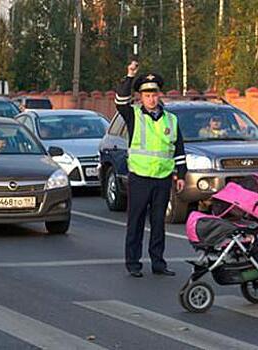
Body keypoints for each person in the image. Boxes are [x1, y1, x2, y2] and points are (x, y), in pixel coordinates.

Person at [115, 60, 187, 278]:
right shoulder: (134, 116)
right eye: (146, 95)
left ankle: (158, 262)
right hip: (140, 178)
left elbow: (179, 149)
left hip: (163, 178)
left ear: (159, 94)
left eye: (154, 94)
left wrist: (181, 175)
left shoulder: (171, 119)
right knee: (135, 222)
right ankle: (133, 263)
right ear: (141, 97)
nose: (151, 98)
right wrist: (129, 75)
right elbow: (120, 102)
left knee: (158, 223)